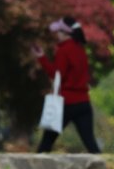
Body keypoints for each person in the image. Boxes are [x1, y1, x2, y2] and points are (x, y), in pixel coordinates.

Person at [32, 16, 100, 153]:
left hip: (66, 104)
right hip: (84, 103)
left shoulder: (64, 50)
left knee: (46, 143)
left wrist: (41, 58)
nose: (56, 35)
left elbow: (56, 75)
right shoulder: (81, 50)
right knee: (91, 144)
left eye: (58, 32)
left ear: (65, 33)